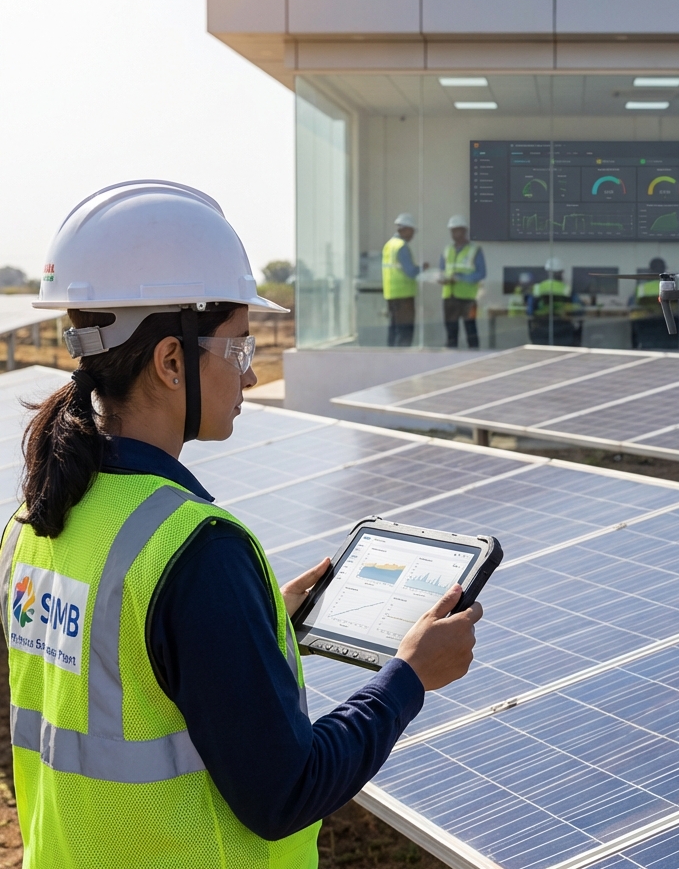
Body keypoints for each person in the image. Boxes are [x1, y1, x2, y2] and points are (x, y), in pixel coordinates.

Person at [5, 181, 482, 868]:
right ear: (172, 362)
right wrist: (410, 675)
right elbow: (287, 791)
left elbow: (123, 680)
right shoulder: (196, 553)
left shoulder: (34, 517)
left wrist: (255, 628)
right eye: (238, 349)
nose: (252, 375)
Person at [440, 215, 486, 349]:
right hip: (449, 297)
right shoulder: (447, 250)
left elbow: (481, 273)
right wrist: (442, 279)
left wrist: (460, 278)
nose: (455, 234)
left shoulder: (474, 250)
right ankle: (449, 361)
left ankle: (474, 360)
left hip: (468, 298)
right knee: (451, 334)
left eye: (457, 230)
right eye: (452, 231)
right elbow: (442, 270)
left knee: (471, 332)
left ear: (464, 231)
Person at [382, 213, 426, 347]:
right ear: (405, 229)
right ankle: (402, 361)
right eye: (411, 231)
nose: (412, 235)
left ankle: (391, 360)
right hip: (404, 295)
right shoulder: (401, 246)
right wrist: (422, 268)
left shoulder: (389, 245)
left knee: (394, 329)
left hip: (391, 294)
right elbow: (411, 272)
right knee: (404, 331)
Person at [527, 257, 582, 346]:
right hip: (564, 332)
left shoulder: (537, 288)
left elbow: (530, 311)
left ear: (547, 272)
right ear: (560, 273)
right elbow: (579, 310)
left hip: (541, 332)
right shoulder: (567, 289)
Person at [631, 256, 674, 350]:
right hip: (666, 332)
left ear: (650, 270)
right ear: (664, 270)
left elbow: (632, 310)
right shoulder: (671, 288)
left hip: (646, 330)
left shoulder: (641, 288)